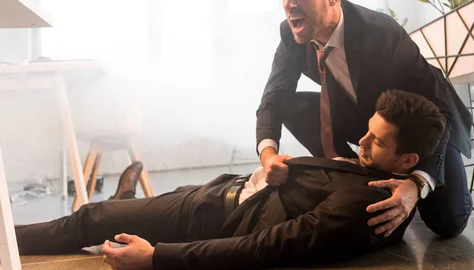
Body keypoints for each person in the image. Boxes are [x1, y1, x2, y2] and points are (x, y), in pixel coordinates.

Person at [17, 90, 445, 270]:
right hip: (220, 190)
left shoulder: (366, 206)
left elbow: (266, 248)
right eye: (368, 129)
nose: (362, 139)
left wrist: (156, 259)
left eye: (377, 140)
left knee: (89, 218)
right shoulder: (378, 175)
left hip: (209, 216)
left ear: (408, 159)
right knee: (99, 217)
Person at [257, 0, 473, 238]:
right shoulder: (292, 35)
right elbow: (274, 96)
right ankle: (358, 178)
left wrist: (415, 183)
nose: (288, 3)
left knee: (447, 222)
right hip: (367, 120)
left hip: (424, 126)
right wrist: (268, 155)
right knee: (292, 105)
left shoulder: (381, 33)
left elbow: (438, 109)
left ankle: (406, 184)